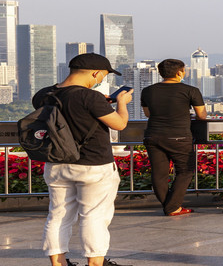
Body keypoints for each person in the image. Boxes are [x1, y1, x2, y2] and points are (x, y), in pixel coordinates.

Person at [34, 53, 133, 266]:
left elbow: (67, 108)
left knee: (58, 214)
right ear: (95, 73)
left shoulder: (44, 95)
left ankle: (58, 262)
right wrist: (122, 103)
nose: (101, 81)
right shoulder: (90, 97)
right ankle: (95, 263)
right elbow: (119, 124)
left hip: (57, 162)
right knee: (94, 216)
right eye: (103, 77)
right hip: (94, 165)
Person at [140, 59, 207, 216]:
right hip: (179, 137)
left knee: (159, 173)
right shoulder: (191, 90)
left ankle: (170, 206)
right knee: (185, 171)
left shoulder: (148, 91)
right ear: (179, 72)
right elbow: (202, 115)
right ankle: (172, 207)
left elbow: (148, 114)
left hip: (153, 135)